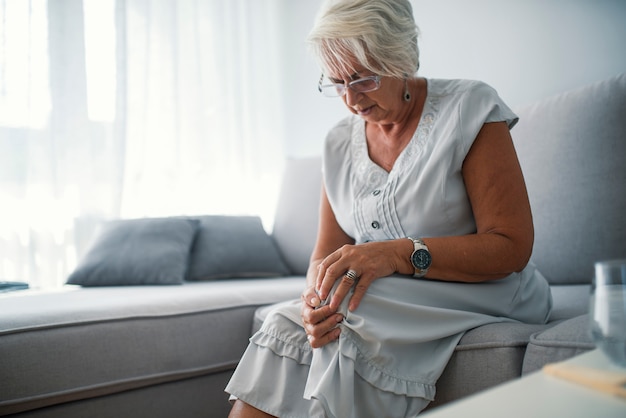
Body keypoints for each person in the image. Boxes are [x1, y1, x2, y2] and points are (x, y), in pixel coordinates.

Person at [225, 0, 552, 416]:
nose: (350, 99)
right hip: (388, 296)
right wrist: (313, 300)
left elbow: (510, 247)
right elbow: (325, 254)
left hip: (487, 289)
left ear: (400, 59)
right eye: (337, 82)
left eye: (362, 79)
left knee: (349, 317)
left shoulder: (470, 107)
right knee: (287, 324)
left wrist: (396, 253)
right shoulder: (339, 142)